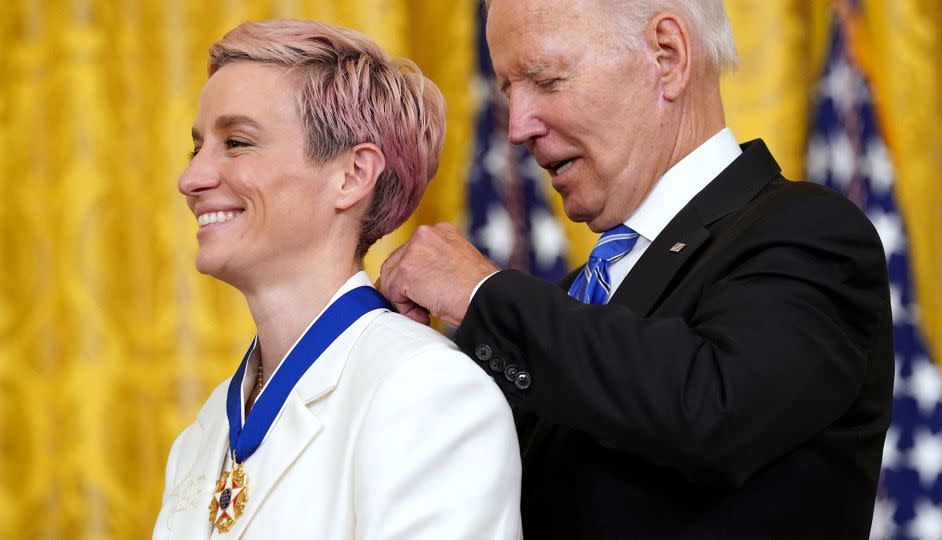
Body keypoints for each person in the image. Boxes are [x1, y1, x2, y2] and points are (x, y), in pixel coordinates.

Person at [377, 0, 894, 538]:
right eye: (510, 91)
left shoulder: (808, 233)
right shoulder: (572, 304)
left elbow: (711, 411)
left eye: (546, 80)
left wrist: (482, 293)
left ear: (666, 56)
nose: (518, 127)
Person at [153, 19, 521, 539]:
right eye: (197, 148)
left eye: (236, 142)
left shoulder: (427, 391)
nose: (191, 179)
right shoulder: (204, 432)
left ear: (352, 176)